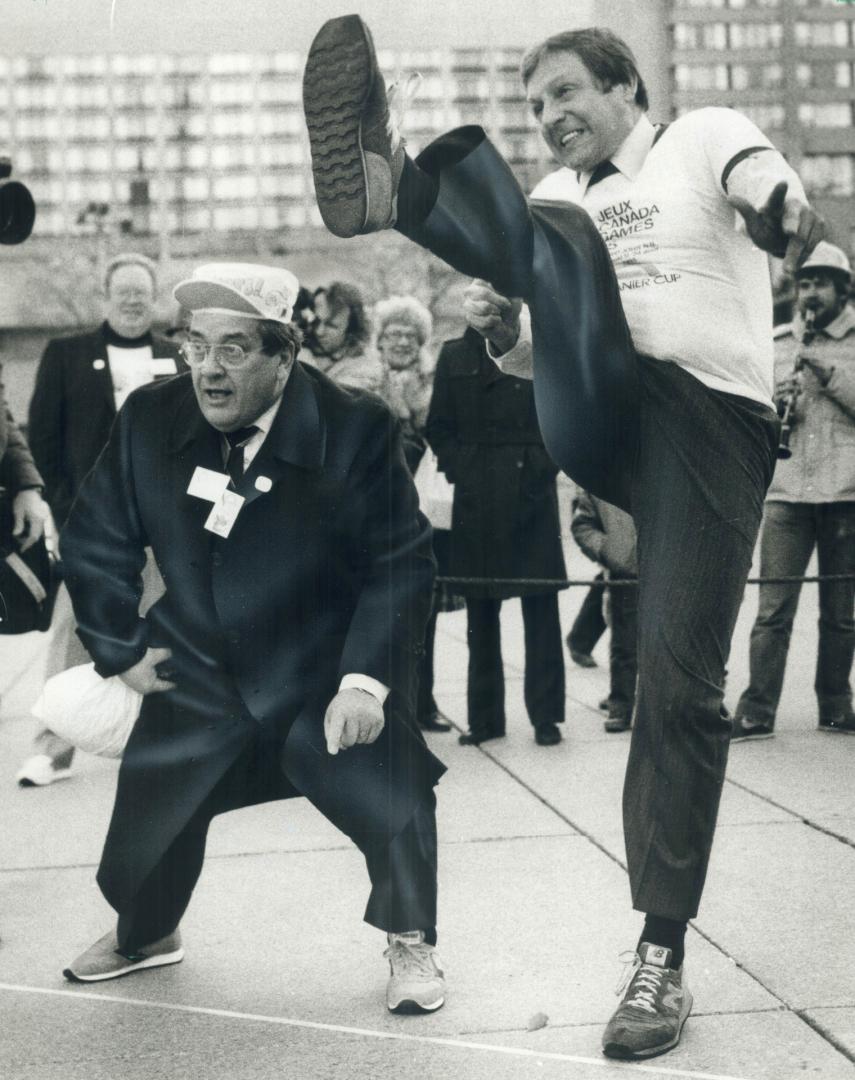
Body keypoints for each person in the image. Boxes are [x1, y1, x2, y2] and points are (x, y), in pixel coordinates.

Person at [302, 16, 823, 1059]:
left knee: (679, 688)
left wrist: (782, 213)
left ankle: (659, 957)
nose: (548, 118)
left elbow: (766, 179)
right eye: (534, 106)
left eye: (566, 95)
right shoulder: (551, 200)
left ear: (627, 88)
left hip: (704, 425)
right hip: (599, 411)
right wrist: (505, 341)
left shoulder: (696, 135)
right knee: (554, 233)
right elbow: (549, 359)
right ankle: (386, 183)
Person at [58, 262, 446, 1015]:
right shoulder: (149, 417)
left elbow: (401, 562)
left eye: (233, 349)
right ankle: (146, 934)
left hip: (317, 664)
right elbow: (95, 537)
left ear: (284, 354)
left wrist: (365, 682)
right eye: (195, 346)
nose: (207, 369)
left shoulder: (354, 426)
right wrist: (123, 647)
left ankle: (410, 934)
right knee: (157, 813)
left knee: (386, 785)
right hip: (196, 660)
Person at [16, 252, 182, 787]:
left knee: (167, 631)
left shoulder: (178, 355)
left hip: (163, 524)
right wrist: (64, 515)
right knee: (74, 632)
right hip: (92, 524)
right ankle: (51, 749)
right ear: (105, 298)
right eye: (123, 292)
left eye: (142, 292)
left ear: (155, 299)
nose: (133, 301)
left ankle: (165, 745)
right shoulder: (66, 355)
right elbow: (41, 440)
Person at [733, 242, 855, 739]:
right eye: (803, 284)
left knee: (841, 614)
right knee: (772, 611)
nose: (809, 293)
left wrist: (830, 377)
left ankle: (836, 706)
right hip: (787, 493)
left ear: (841, 289)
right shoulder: (779, 340)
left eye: (820, 283)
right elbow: (752, 414)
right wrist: (773, 403)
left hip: (846, 492)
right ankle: (757, 709)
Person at [426, 325, 566, 747]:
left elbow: (561, 420)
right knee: (480, 615)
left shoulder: (541, 347)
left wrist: (539, 467)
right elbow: (438, 426)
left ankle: (546, 717)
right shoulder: (454, 355)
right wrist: (465, 471)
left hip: (532, 497)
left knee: (541, 611)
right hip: (476, 499)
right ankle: (485, 719)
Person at [371, 294, 453, 732]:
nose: (401, 341)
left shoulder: (434, 382)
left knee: (424, 613)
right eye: (393, 334)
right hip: (374, 510)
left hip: (422, 510)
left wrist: (415, 411)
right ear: (379, 340)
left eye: (409, 334)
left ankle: (424, 702)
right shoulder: (365, 379)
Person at [571, 490, 638, 733]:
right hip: (627, 571)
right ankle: (621, 705)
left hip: (671, 569)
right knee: (624, 643)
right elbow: (582, 524)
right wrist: (611, 551)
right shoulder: (604, 473)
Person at [301, 280, 383, 393]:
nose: (319, 332)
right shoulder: (303, 347)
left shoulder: (364, 367)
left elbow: (337, 403)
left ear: (351, 330)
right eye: (316, 321)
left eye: (331, 326)